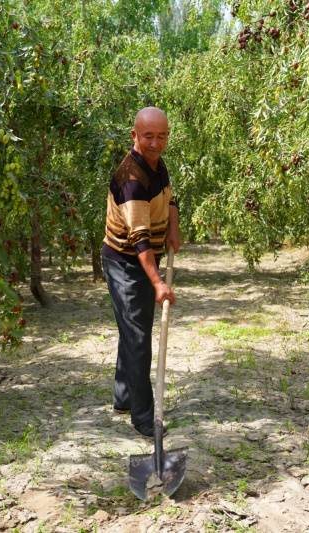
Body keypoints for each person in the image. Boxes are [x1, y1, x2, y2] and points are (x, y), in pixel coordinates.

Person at [101, 106, 181, 437]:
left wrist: (173, 228)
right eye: (148, 136)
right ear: (134, 136)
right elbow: (140, 242)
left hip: (143, 258)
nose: (155, 143)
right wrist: (158, 283)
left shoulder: (156, 164)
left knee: (134, 327)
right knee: (137, 337)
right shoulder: (130, 179)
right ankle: (145, 417)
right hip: (125, 261)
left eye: (161, 136)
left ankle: (123, 398)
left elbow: (170, 199)